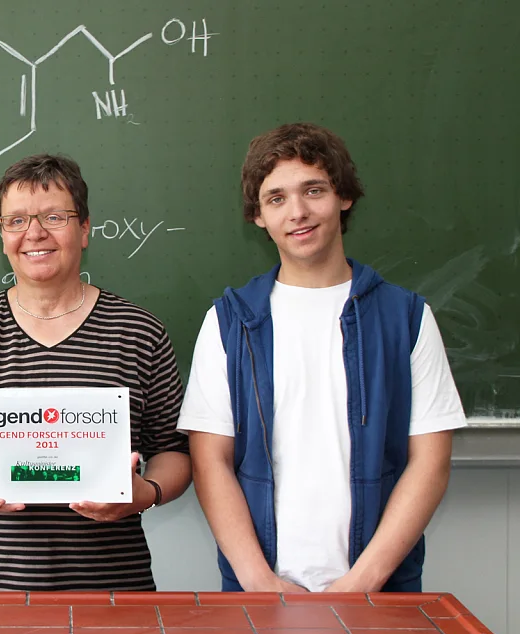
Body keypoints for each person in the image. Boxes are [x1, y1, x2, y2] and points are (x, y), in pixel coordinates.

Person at [179, 123, 466, 593]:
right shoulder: (231, 323)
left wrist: (362, 583)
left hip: (380, 590)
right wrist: (259, 580)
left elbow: (430, 462)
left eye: (313, 190)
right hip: (261, 590)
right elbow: (211, 459)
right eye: (276, 199)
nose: (297, 212)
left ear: (343, 197)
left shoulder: (406, 318)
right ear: (258, 217)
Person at [0, 153, 191, 591]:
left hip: (110, 589)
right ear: (2, 236)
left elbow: (175, 452)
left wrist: (143, 495)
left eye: (53, 216)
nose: (34, 233)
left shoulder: (138, 332)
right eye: (16, 220)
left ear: (85, 228)